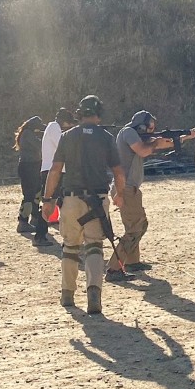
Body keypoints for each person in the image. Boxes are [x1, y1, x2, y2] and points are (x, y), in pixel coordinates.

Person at [42, 96, 126, 314]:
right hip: (97, 199)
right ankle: (93, 293)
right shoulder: (106, 137)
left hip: (71, 199)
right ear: (98, 115)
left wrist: (47, 199)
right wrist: (120, 195)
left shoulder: (67, 136)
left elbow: (55, 170)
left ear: (79, 114)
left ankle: (67, 293)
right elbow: (118, 172)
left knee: (70, 247)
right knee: (94, 246)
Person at [105, 112, 195, 281]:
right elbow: (143, 151)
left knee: (138, 225)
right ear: (141, 126)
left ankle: (132, 262)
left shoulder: (135, 135)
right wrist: (156, 141)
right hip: (125, 188)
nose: (152, 131)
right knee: (135, 228)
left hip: (130, 188)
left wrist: (185, 137)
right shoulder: (129, 132)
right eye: (150, 128)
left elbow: (162, 144)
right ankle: (114, 269)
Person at [38, 108, 77, 244]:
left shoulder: (54, 127)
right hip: (51, 171)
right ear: (64, 122)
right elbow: (63, 145)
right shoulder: (54, 127)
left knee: (55, 202)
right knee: (48, 203)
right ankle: (40, 235)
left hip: (55, 170)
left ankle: (42, 234)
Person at [13, 117, 46, 236]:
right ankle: (23, 221)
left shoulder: (28, 133)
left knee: (36, 192)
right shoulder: (27, 134)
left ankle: (34, 217)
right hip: (28, 167)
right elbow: (39, 145)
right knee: (29, 195)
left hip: (33, 166)